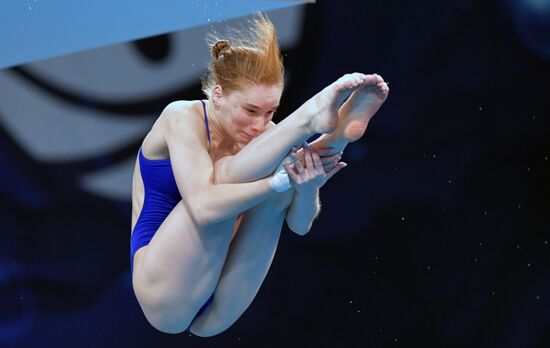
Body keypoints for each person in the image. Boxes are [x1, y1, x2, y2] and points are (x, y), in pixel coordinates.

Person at [130, 13, 389, 337]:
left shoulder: (267, 136)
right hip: (164, 291)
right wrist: (278, 181)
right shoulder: (181, 117)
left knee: (279, 185)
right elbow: (203, 208)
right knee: (225, 178)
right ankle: (312, 122)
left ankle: (336, 136)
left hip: (224, 304)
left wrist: (307, 188)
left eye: (269, 112)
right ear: (219, 95)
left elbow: (300, 225)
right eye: (250, 110)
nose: (259, 124)